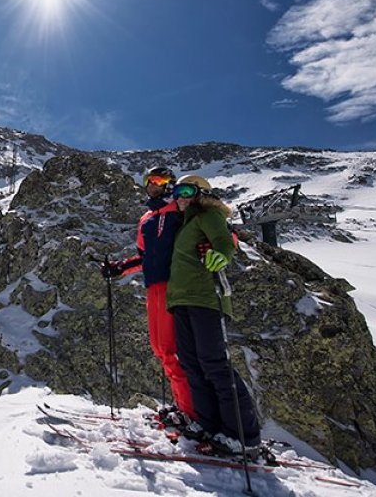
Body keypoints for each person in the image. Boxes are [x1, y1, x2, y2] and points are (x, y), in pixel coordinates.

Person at [166, 174, 261, 456]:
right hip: (182, 300)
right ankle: (208, 424)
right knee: (192, 364)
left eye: (186, 190)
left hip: (207, 299)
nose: (180, 196)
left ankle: (242, 436)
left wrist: (221, 254)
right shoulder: (186, 224)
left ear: (201, 193)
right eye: (176, 192)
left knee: (214, 364)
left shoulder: (209, 215)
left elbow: (224, 241)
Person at [103, 166, 196, 427]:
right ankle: (182, 408)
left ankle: (191, 414)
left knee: (173, 351)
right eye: (150, 181)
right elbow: (145, 257)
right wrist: (120, 267)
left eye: (161, 181)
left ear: (171, 184)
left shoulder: (180, 210)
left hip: (175, 285)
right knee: (161, 349)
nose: (154, 185)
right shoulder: (146, 219)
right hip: (153, 288)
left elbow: (218, 230)